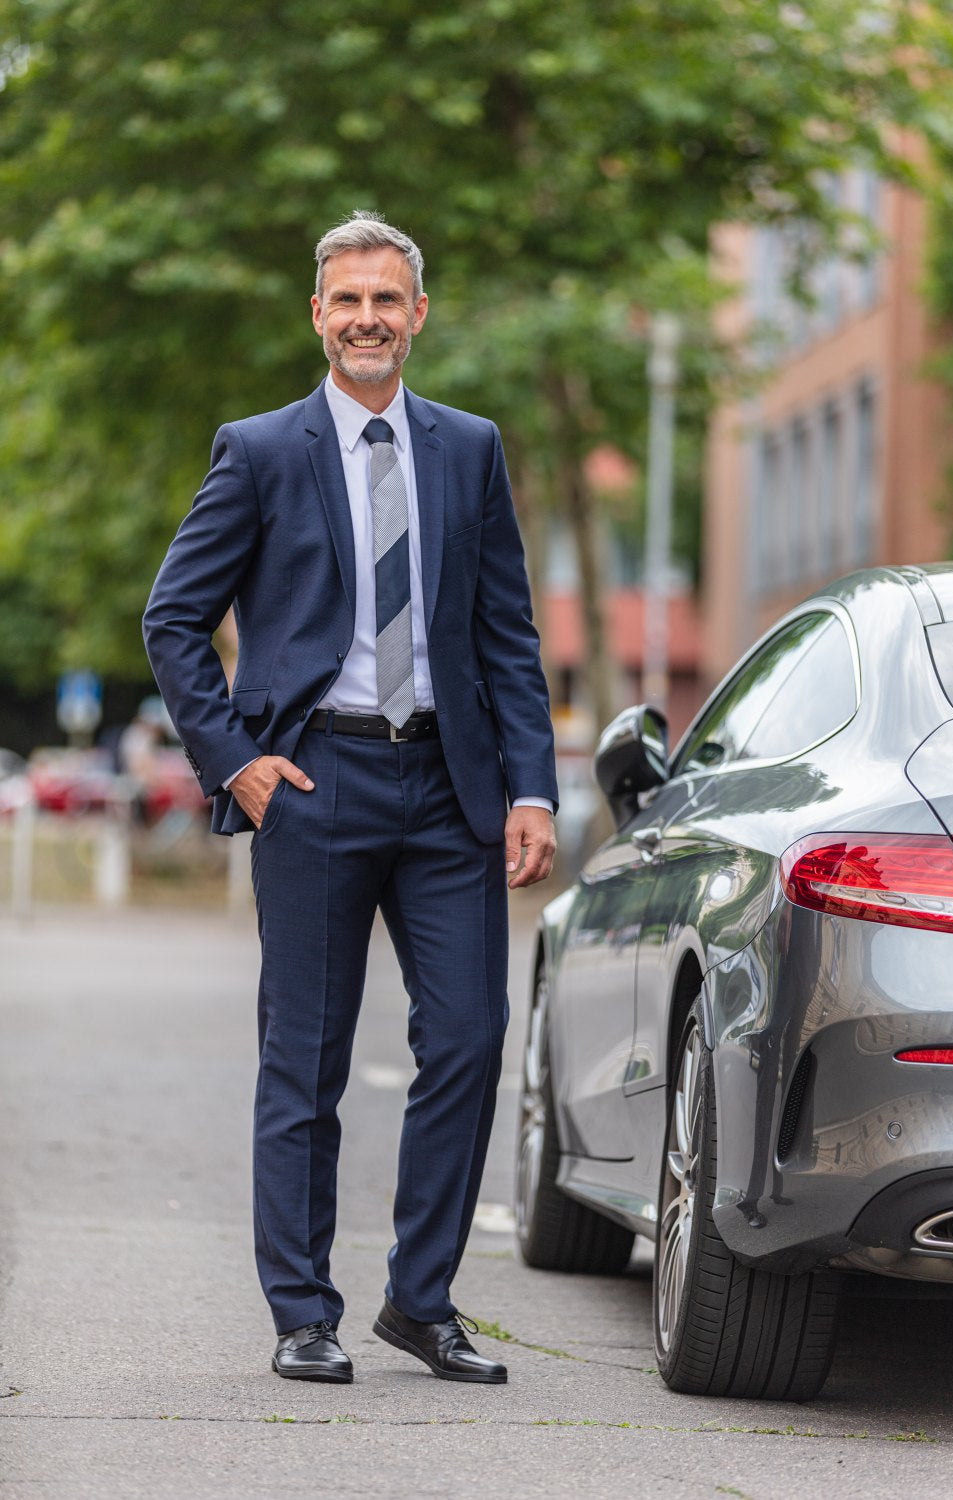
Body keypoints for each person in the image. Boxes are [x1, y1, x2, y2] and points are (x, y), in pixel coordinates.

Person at [143, 211, 558, 1387]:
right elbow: (173, 619)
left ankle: (419, 1303)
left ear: (417, 314)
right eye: (347, 301)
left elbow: (507, 635)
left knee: (471, 1039)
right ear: (316, 315)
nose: (367, 319)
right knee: (306, 1059)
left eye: (388, 299)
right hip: (314, 782)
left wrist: (532, 785)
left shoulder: (469, 448)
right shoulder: (260, 449)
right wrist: (238, 762)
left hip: (450, 788)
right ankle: (302, 1310)